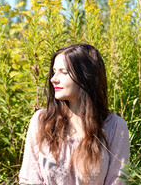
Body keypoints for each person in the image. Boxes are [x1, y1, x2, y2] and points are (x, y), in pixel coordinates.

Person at [19, 43, 130, 185]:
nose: (54, 78)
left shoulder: (114, 127)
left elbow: (118, 181)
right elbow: (30, 179)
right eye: (54, 71)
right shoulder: (42, 121)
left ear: (86, 77)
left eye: (64, 72)